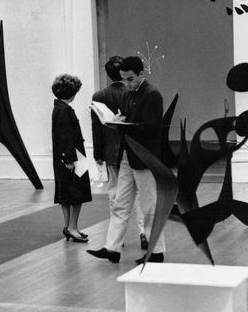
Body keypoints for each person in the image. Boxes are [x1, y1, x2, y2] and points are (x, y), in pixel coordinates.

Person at [88, 55, 165, 265]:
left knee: (149, 206)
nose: (126, 84)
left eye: (130, 79)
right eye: (123, 79)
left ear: (141, 74)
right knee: (120, 204)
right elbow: (134, 120)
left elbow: (152, 128)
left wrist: (125, 126)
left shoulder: (152, 95)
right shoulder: (132, 93)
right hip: (128, 155)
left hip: (144, 157)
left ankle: (156, 251)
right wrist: (120, 121)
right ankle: (112, 248)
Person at [90, 56, 148, 250]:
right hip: (132, 148)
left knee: (115, 193)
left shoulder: (99, 95)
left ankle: (117, 239)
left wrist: (98, 153)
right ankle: (143, 233)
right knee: (139, 194)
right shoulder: (132, 92)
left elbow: (96, 127)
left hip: (111, 149)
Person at [51, 74, 91, 243]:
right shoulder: (65, 110)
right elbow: (66, 136)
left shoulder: (58, 108)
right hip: (75, 157)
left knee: (66, 193)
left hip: (66, 157)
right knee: (77, 194)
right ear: (72, 93)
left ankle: (69, 226)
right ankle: (73, 227)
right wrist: (69, 159)